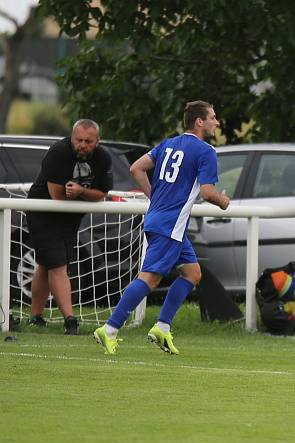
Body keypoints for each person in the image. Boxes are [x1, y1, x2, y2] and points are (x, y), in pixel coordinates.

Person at [93, 100, 230, 355]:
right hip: (170, 226)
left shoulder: (168, 144)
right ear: (199, 121)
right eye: (213, 117)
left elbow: (136, 168)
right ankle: (109, 328)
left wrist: (154, 197)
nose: (216, 122)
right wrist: (224, 201)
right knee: (150, 278)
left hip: (161, 221)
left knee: (192, 274)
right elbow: (209, 193)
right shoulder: (206, 151)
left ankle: (163, 327)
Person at [26, 119, 113, 335]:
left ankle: (35, 316)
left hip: (70, 217)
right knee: (58, 266)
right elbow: (57, 195)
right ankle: (70, 320)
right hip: (43, 212)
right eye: (78, 140)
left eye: (88, 141)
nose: (82, 145)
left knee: (46, 264)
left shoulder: (102, 158)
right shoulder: (58, 152)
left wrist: (81, 192)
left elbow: (101, 194)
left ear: (97, 141)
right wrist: (83, 195)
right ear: (71, 138)